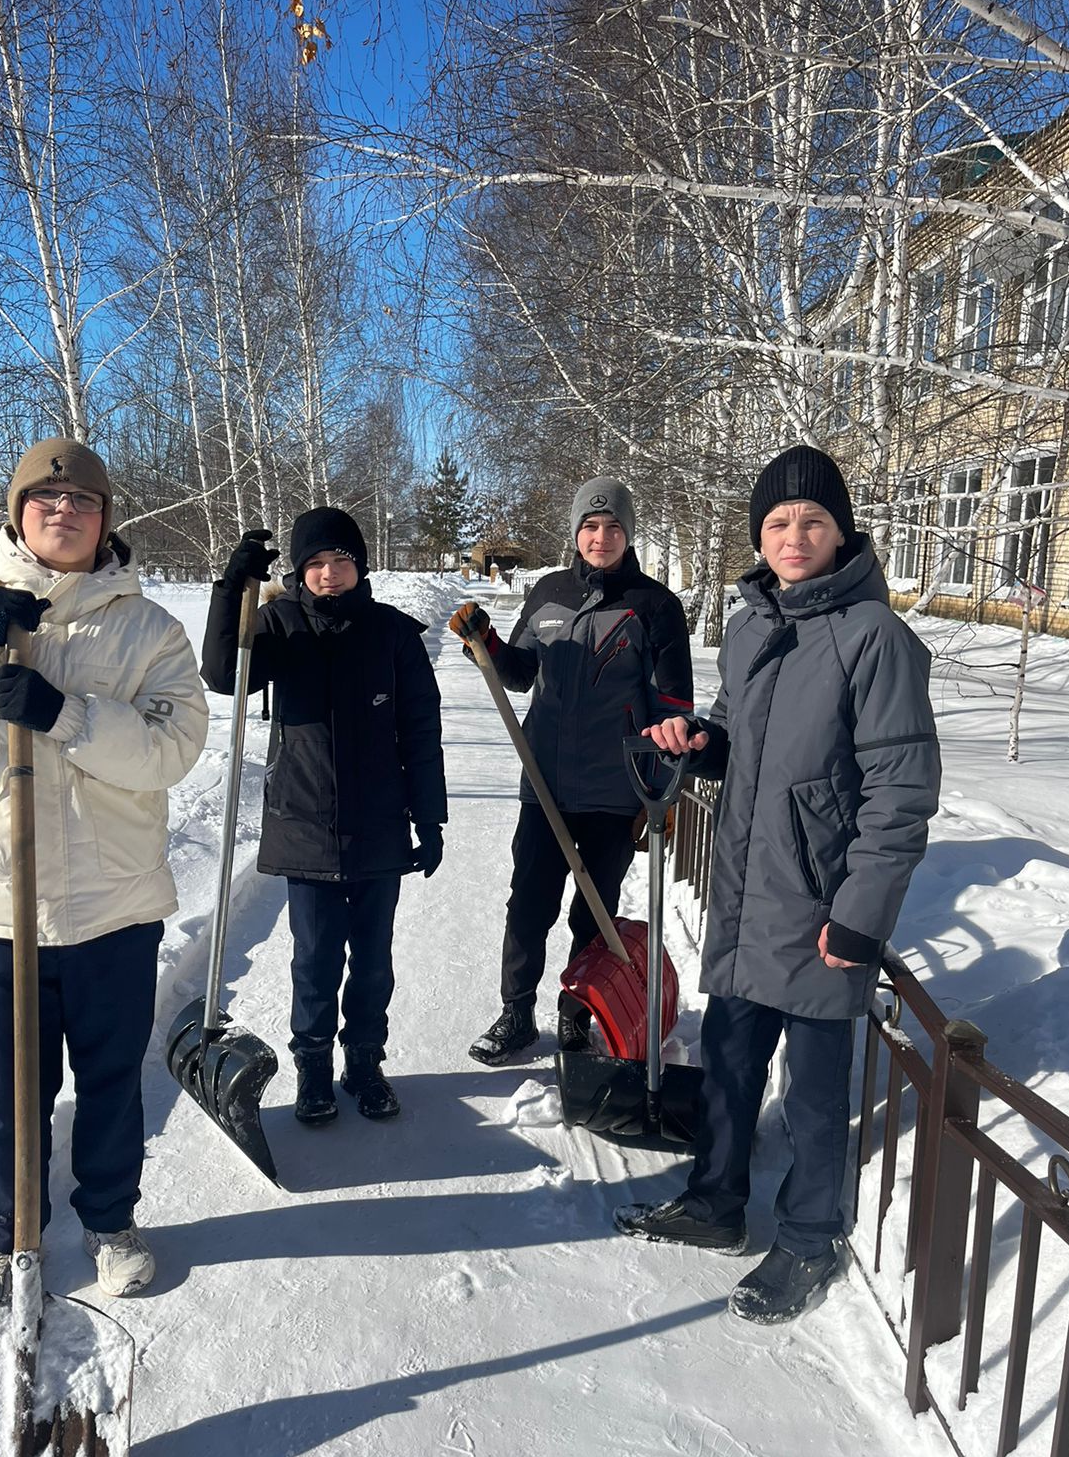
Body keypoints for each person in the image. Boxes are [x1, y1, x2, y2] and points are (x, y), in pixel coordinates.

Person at [615, 444, 941, 1324]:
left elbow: (902, 793)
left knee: (813, 1093)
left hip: (822, 905)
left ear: (842, 533)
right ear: (759, 536)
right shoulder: (751, 625)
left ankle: (809, 1236)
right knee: (727, 1064)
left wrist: (861, 915)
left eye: (813, 521)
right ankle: (716, 1203)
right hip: (747, 887)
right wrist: (699, 742)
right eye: (778, 523)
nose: (794, 537)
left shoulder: (875, 637)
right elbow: (739, 739)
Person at [0, 438, 209, 1302]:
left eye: (83, 501)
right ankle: (12, 1234)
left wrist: (66, 715)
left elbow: (172, 750)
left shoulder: (149, 628)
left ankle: (110, 1220)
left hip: (113, 906)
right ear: (18, 513)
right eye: (46, 498)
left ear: (106, 521)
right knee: (7, 1094)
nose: (64, 510)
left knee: (109, 1082)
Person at [202, 507, 446, 1124]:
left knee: (373, 959)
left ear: (360, 565)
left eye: (340, 560)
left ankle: (363, 1062)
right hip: (303, 821)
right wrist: (233, 588)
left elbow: (421, 731)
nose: (329, 573)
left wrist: (429, 818)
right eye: (314, 563)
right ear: (299, 571)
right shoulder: (279, 624)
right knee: (314, 959)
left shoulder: (393, 633)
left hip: (379, 824)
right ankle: (312, 1066)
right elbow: (223, 675)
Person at [450, 476, 694, 1064]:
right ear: (575, 532)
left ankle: (577, 1015)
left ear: (628, 534)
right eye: (589, 526)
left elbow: (673, 709)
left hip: (616, 791)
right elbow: (519, 673)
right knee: (528, 905)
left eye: (612, 527)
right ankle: (516, 1013)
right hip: (546, 785)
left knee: (593, 912)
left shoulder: (655, 606)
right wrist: (487, 642)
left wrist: (662, 792)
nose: (600, 537)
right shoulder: (549, 593)